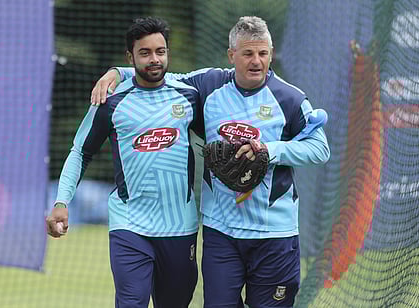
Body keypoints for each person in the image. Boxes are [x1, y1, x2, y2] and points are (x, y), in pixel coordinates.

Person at [91, 16, 330, 308]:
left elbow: (320, 149)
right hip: (222, 233)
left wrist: (269, 150)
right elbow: (157, 74)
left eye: (263, 53)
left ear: (271, 52)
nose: (256, 61)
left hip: (275, 234)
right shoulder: (207, 85)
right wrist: (118, 72)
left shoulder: (290, 98)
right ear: (232, 56)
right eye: (248, 54)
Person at [46, 17, 203, 308]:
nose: (155, 59)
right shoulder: (110, 100)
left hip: (180, 226)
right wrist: (61, 202)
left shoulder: (190, 92)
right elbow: (80, 152)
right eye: (145, 53)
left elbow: (230, 76)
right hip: (130, 225)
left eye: (161, 51)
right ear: (130, 57)